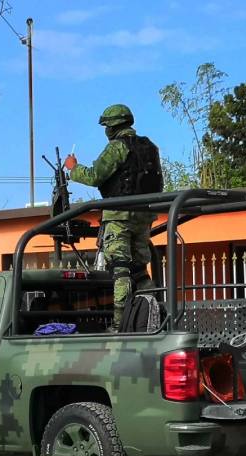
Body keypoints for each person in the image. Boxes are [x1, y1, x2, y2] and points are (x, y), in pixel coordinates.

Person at [64, 103, 164, 330]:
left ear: (111, 127)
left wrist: (73, 167)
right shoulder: (150, 147)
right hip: (144, 216)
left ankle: (120, 325)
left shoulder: (118, 147)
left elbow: (94, 176)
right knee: (140, 270)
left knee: (120, 269)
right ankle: (155, 319)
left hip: (120, 216)